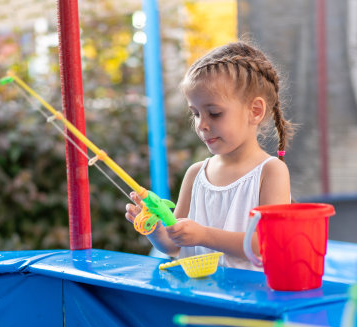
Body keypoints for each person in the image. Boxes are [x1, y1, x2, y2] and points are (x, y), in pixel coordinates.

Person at [125, 41, 293, 270]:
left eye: (214, 113)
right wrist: (155, 231)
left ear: (255, 111)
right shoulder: (195, 174)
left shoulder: (271, 171)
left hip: (249, 300)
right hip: (198, 295)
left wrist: (204, 235)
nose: (202, 125)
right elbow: (176, 245)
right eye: (195, 113)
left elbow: (268, 244)